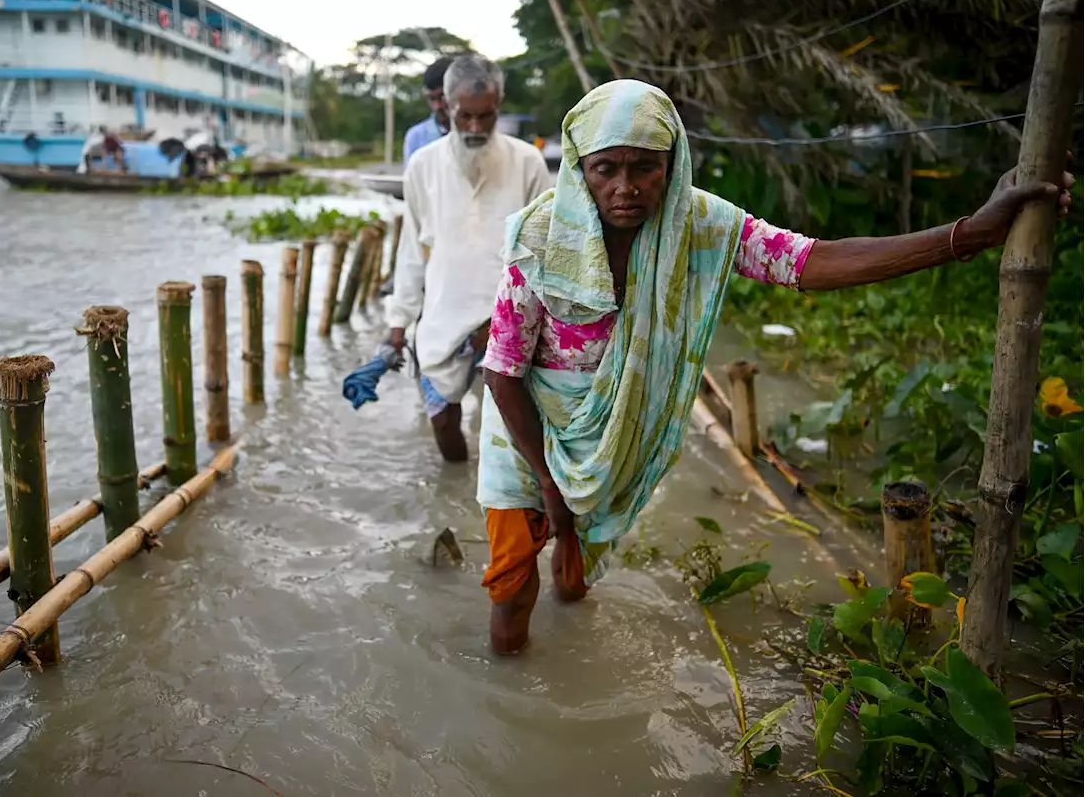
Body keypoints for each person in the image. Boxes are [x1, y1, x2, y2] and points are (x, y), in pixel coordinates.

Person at [478, 79, 1075, 655]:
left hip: (616, 432)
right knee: (510, 588)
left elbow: (810, 262)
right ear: (580, 168)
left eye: (645, 167)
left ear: (673, 163)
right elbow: (503, 372)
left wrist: (968, 234)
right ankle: (513, 694)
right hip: (525, 424)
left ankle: (571, 607)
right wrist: (551, 483)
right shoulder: (540, 237)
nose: (626, 187)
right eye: (606, 168)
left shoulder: (697, 224)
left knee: (577, 564)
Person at [386, 55, 550, 463]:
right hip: (443, 317)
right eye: (465, 116)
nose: (475, 127)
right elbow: (412, 249)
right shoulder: (423, 166)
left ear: (500, 105)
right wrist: (397, 323)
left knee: (512, 433)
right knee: (442, 422)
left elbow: (545, 251)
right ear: (445, 105)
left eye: (486, 116)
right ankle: (455, 491)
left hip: (510, 321)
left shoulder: (527, 162)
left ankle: (495, 509)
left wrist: (510, 320)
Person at [402, 57, 453, 162]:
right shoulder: (416, 137)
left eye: (442, 97)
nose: (437, 106)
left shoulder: (486, 130)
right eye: (431, 98)